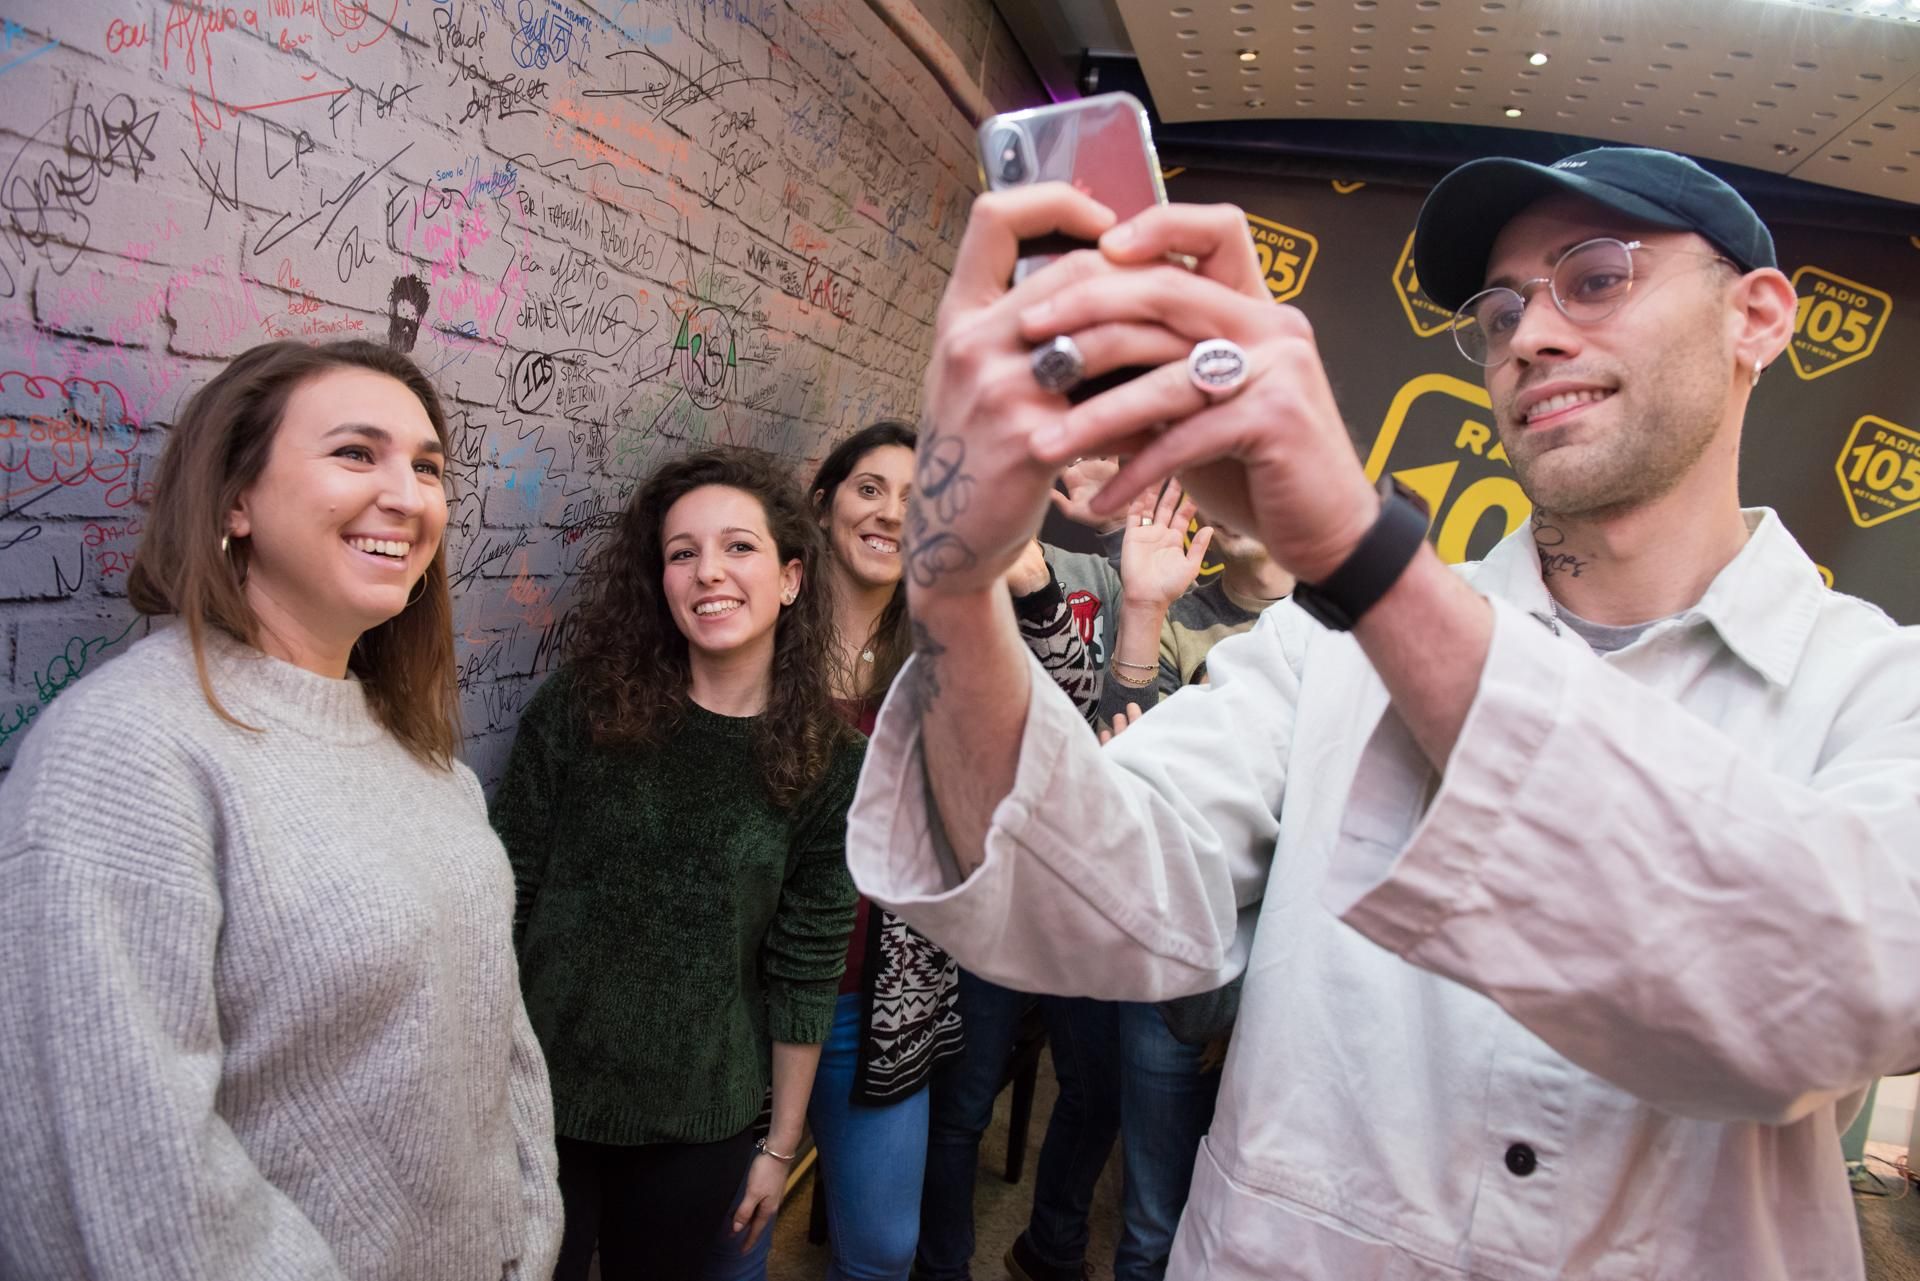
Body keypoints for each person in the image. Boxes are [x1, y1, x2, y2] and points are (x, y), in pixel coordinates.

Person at [845, 146, 1920, 1281]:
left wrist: (1360, 555)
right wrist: (954, 579)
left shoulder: (1876, 688)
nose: (1529, 335)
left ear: (1757, 317)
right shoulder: (1320, 651)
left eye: (1597, 278)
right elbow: (1069, 895)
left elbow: (1834, 996)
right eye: (1499, 310)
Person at [0, 338, 563, 1280]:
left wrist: (529, 1235)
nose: (409, 495)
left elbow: (496, 1034)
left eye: (428, 467)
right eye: (356, 453)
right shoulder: (126, 752)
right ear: (236, 500)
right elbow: (130, 1175)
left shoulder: (425, 759)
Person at [494, 447, 861, 1281]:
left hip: (696, 1121)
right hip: (536, 1093)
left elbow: (806, 969)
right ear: (659, 580)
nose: (708, 572)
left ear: (791, 578)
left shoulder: (832, 763)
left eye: (739, 546)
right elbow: (505, 892)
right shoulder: (583, 705)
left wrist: (779, 1146)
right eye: (682, 552)